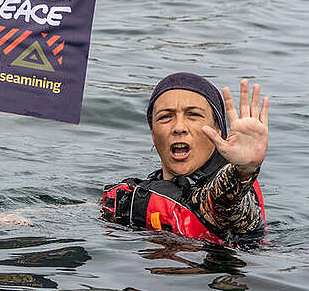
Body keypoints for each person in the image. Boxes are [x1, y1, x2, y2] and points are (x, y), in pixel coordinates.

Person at [100, 73, 268, 244]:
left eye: (193, 115)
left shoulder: (230, 193)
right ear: (153, 134)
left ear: (218, 130)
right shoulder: (141, 192)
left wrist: (244, 170)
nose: (179, 127)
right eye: (165, 117)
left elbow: (225, 203)